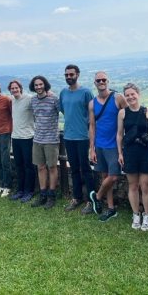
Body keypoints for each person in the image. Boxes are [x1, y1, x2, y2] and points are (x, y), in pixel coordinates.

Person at [116, 83, 148, 230]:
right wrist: (120, 153)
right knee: (133, 186)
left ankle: (147, 215)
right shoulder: (122, 113)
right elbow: (120, 134)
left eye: (132, 94)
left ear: (138, 94)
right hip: (130, 151)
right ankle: (136, 214)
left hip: (146, 151)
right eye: (127, 95)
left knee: (145, 186)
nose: (130, 97)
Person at [88, 71, 127, 221]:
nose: (101, 82)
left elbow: (128, 116)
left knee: (113, 176)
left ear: (108, 81)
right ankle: (111, 209)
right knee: (105, 176)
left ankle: (96, 196)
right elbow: (92, 126)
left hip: (114, 145)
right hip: (100, 144)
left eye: (103, 79)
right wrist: (92, 148)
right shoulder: (92, 103)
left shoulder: (118, 98)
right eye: (98, 80)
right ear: (95, 83)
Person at [59, 64, 95, 214]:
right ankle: (77, 197)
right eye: (66, 75)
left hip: (82, 136)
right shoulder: (63, 93)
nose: (69, 77)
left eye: (71, 74)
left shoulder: (86, 92)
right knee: (73, 168)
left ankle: (91, 201)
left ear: (77, 75)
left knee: (85, 168)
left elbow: (92, 112)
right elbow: (63, 109)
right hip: (68, 136)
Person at [29, 75, 60, 209]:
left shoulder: (54, 99)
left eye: (41, 84)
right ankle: (43, 194)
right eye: (36, 85)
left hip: (51, 139)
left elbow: (63, 112)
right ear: (33, 87)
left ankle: (51, 195)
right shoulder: (33, 100)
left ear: (45, 85)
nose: (38, 87)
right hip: (37, 139)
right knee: (40, 167)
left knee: (52, 167)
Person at [8, 80, 36, 203]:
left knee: (29, 166)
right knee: (18, 165)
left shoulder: (29, 99)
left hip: (28, 137)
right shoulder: (12, 101)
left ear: (21, 88)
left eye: (16, 87)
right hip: (15, 137)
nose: (14, 90)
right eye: (12, 88)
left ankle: (29, 191)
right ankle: (20, 190)